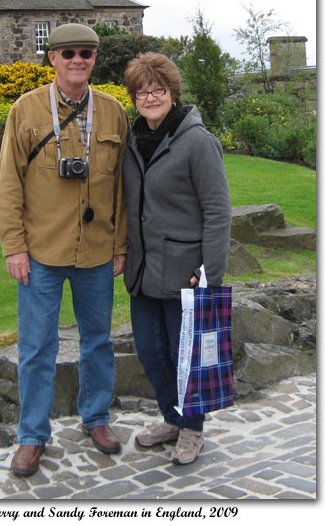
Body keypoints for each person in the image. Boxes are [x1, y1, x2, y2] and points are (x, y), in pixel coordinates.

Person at [0, 23, 129, 476]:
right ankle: (32, 435)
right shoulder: (26, 109)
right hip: (40, 252)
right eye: (68, 52)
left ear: (95, 59)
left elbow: (124, 190)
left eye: (86, 53)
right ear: (52, 57)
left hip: (96, 251)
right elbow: (9, 184)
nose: (77, 60)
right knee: (36, 347)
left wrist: (121, 243)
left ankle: (96, 418)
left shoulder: (113, 112)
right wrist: (14, 247)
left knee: (98, 343)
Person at [122, 53, 232, 465]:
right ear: (134, 98)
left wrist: (210, 272)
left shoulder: (197, 142)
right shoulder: (134, 139)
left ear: (172, 93)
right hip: (143, 270)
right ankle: (172, 417)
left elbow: (218, 211)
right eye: (142, 91)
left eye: (158, 89)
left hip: (186, 273)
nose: (150, 97)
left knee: (189, 357)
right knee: (152, 354)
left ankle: (193, 429)